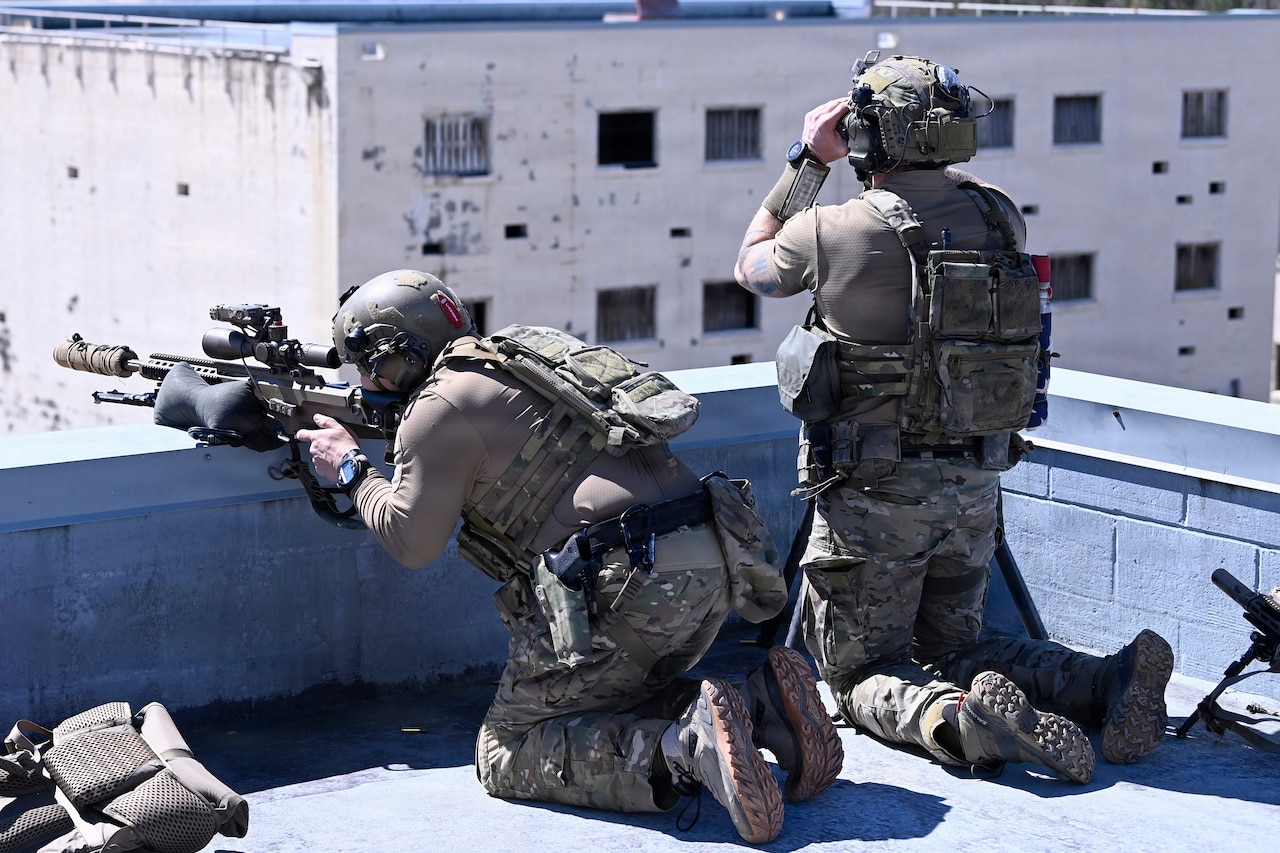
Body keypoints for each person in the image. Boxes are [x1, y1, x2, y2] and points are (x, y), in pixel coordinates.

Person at [732, 53, 1174, 784]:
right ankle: (1106, 680)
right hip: (974, 487)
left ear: (870, 138)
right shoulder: (998, 215)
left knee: (859, 673)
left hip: (874, 498)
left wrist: (808, 159)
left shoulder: (834, 230)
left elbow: (749, 263)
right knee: (959, 646)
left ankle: (959, 720)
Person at [296, 269, 843, 843]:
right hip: (713, 562)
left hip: (628, 586)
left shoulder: (436, 410)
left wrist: (352, 468)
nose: (365, 379)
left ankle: (681, 748)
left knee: (507, 749)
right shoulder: (522, 352)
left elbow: (412, 541)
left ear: (396, 356)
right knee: (614, 691)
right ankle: (762, 709)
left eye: (367, 365)